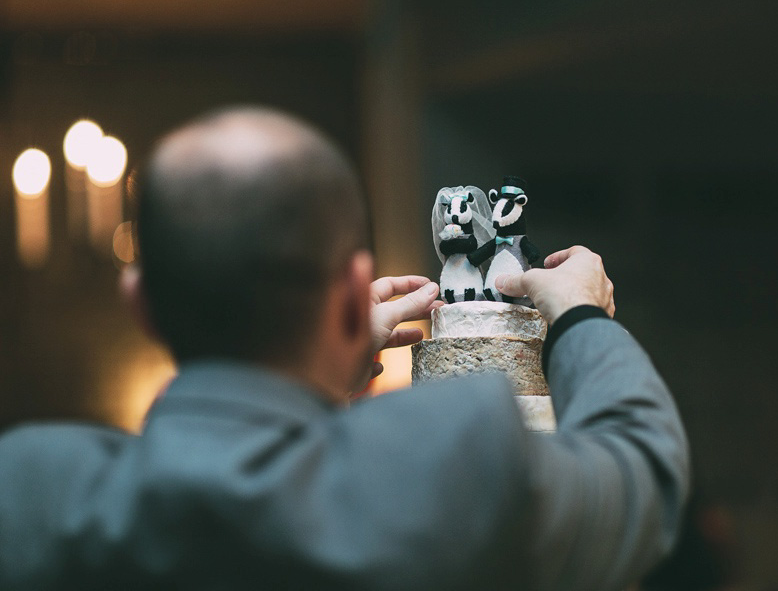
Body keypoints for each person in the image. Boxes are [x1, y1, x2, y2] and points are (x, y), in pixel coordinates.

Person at [0, 107, 689, 590]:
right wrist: (579, 318)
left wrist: (321, 368)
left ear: (139, 304)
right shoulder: (454, 467)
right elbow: (644, 478)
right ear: (351, 291)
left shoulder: (30, 492)